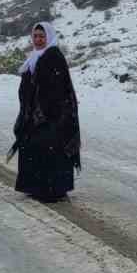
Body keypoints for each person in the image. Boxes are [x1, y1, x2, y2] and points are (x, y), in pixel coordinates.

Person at [12, 22, 81, 203]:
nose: (38, 39)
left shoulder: (53, 56)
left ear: (49, 37)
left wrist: (46, 112)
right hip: (36, 113)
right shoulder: (34, 57)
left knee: (49, 148)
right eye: (35, 36)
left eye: (42, 36)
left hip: (53, 115)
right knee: (33, 147)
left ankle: (52, 189)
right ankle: (36, 186)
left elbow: (56, 88)